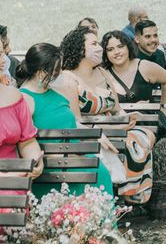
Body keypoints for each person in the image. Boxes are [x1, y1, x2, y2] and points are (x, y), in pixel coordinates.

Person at [58, 27, 155, 205]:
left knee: (145, 135)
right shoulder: (68, 79)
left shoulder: (102, 72)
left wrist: (126, 117)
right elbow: (75, 120)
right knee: (128, 143)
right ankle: (126, 194)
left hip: (117, 126)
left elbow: (117, 108)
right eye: (94, 44)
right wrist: (111, 127)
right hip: (92, 133)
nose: (100, 48)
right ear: (80, 48)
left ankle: (135, 194)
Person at [17, 43, 113, 198]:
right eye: (56, 70)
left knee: (100, 169)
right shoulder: (25, 98)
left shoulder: (54, 93)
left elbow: (71, 122)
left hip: (75, 154)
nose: (59, 73)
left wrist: (95, 134)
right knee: (98, 170)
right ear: (41, 72)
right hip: (53, 161)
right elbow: (23, 139)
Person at [103, 30, 166, 144]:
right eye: (110, 50)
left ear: (128, 47)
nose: (116, 52)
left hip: (149, 118)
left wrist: (165, 105)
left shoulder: (144, 66)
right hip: (124, 124)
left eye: (120, 47)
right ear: (105, 53)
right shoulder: (103, 75)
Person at [0, 82, 44, 244]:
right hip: (9, 178)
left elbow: (27, 142)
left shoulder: (13, 96)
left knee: (10, 198)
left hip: (15, 182)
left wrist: (35, 161)